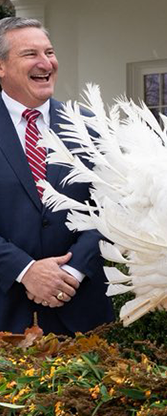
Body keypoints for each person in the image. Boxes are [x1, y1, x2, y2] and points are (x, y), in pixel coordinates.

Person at [0, 17, 114, 336]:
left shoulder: (90, 127)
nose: (45, 62)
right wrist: (25, 270)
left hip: (82, 315)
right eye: (30, 54)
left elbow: (114, 206)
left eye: (49, 52)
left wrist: (73, 270)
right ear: (1, 67)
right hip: (5, 313)